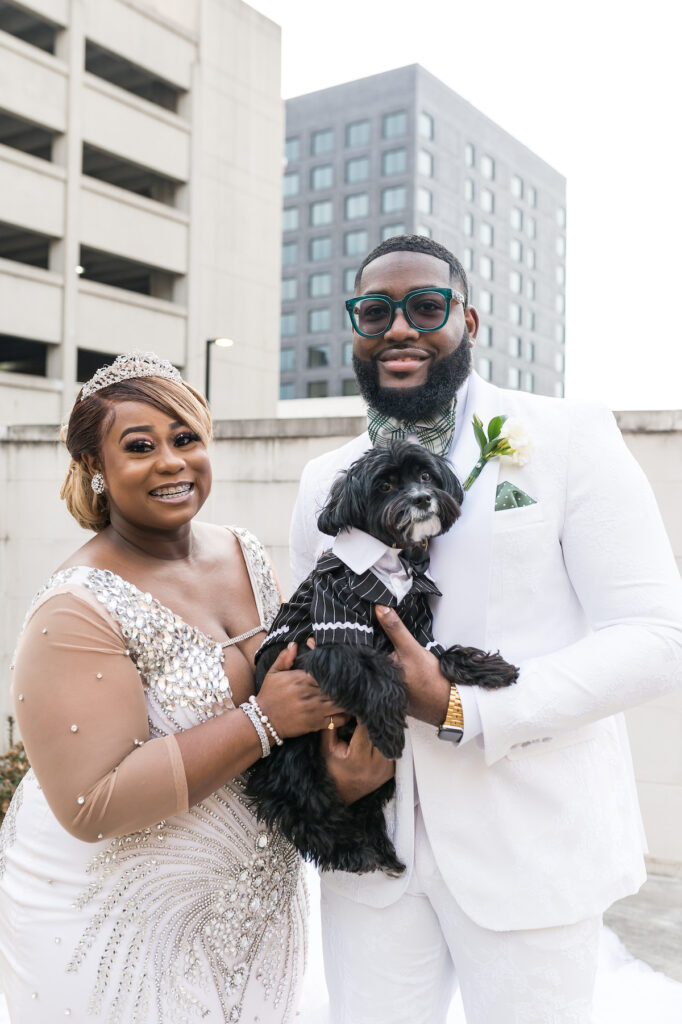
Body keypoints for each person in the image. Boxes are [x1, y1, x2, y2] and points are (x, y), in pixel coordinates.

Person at [289, 235, 682, 1024]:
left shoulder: (568, 437)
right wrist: (331, 769)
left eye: (426, 307)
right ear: (355, 332)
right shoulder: (321, 481)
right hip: (370, 851)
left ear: (467, 319)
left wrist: (468, 708)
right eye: (375, 311)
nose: (399, 327)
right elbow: (315, 634)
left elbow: (655, 635)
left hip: (530, 849)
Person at [0, 352, 344, 1024]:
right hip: (117, 921)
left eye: (185, 438)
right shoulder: (74, 608)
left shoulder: (244, 551)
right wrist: (264, 721)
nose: (171, 460)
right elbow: (91, 803)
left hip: (252, 905)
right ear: (95, 469)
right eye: (140, 446)